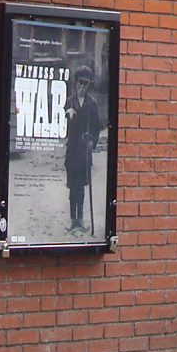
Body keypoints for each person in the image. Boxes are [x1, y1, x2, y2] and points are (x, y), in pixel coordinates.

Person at [63, 79, 100, 235]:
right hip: (72, 149)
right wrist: (67, 115)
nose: (82, 87)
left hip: (84, 150)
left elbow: (97, 126)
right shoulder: (70, 102)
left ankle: (81, 220)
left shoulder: (92, 103)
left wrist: (92, 141)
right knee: (73, 186)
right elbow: (61, 123)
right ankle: (73, 219)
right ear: (76, 84)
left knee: (82, 186)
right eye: (80, 84)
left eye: (85, 85)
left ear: (87, 86)